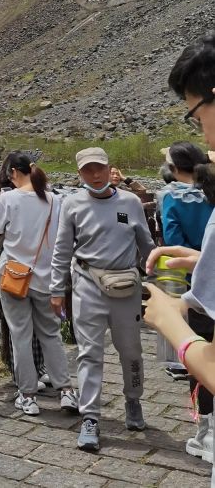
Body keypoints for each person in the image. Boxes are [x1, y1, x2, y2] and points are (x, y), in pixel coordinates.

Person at [50, 146, 154, 453]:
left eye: (100, 168)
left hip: (126, 288)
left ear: (110, 169)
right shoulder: (71, 204)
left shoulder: (131, 202)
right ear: (79, 173)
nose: (95, 175)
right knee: (89, 354)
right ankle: (90, 418)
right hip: (87, 286)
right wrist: (57, 289)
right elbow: (61, 249)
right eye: (88, 170)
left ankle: (133, 401)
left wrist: (161, 281)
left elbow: (147, 244)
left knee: (131, 351)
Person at [145, 35, 215, 486]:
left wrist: (172, 325)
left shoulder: (170, 196)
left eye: (195, 114)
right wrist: (202, 260)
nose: (204, 135)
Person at [0, 151, 78, 417]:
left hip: (15, 277)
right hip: (47, 278)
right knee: (50, 335)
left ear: (13, 173)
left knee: (21, 336)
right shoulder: (55, 200)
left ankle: (27, 395)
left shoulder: (7, 199)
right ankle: (66, 391)